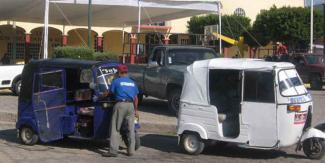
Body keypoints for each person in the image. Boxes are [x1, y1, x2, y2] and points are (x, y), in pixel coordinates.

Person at [102, 64, 139, 157]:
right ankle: (131, 151)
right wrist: (136, 110)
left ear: (118, 72)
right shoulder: (132, 82)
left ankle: (113, 151)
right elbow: (135, 98)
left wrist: (101, 95)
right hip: (131, 106)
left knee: (115, 128)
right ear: (126, 72)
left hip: (120, 105)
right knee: (131, 129)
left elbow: (109, 93)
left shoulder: (116, 81)